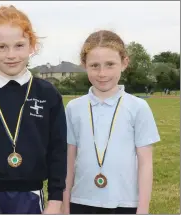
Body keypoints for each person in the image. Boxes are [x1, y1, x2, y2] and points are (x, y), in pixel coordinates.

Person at [0, 5, 67, 214]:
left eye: (19, 45)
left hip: (31, 195)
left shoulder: (48, 94)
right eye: (2, 47)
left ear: (31, 46)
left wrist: (55, 200)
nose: (11, 55)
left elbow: (58, 151)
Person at [62, 30, 160, 214]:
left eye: (110, 65)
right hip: (81, 201)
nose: (102, 73)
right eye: (94, 65)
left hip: (125, 203)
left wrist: (143, 209)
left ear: (124, 63)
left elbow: (146, 163)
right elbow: (68, 161)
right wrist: (65, 205)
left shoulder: (138, 107)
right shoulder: (73, 108)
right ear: (84, 65)